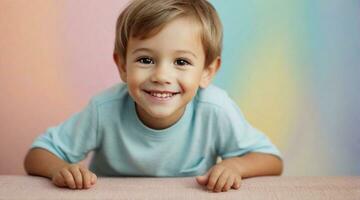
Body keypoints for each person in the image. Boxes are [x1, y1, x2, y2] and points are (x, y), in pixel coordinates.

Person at [24, 0, 283, 193]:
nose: (161, 75)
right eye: (146, 59)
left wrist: (235, 167)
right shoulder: (105, 109)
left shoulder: (214, 109)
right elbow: (37, 155)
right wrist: (60, 169)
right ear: (123, 66)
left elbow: (271, 160)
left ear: (208, 71)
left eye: (181, 61)